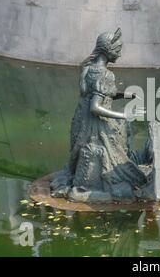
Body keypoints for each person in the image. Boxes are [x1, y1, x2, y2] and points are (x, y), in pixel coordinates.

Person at [50, 28, 146, 202]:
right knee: (115, 156)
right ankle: (100, 185)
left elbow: (98, 94)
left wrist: (125, 95)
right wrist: (123, 115)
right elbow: (96, 107)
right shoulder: (106, 74)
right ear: (109, 50)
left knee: (82, 152)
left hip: (82, 121)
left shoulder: (87, 68)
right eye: (118, 50)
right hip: (97, 126)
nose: (120, 54)